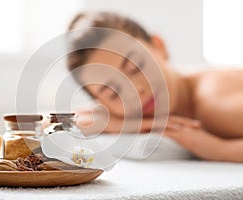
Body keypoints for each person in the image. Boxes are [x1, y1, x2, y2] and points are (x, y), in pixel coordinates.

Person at [66, 11, 243, 162]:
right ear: (102, 103)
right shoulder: (121, 112)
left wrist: (220, 150)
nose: (135, 91)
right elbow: (47, 123)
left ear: (159, 45)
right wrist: (119, 124)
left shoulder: (214, 102)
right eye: (113, 92)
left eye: (136, 67)